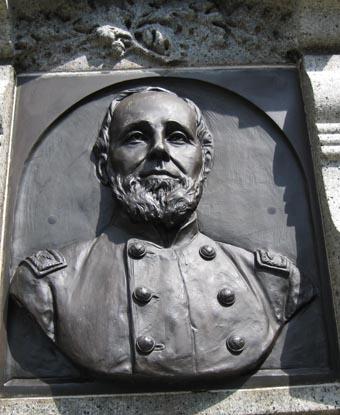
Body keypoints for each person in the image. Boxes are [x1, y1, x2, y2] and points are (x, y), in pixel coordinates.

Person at [10, 87, 315, 379]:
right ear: (104, 165)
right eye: (136, 138)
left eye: (178, 137)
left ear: (204, 163)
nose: (159, 149)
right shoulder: (50, 284)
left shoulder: (272, 283)